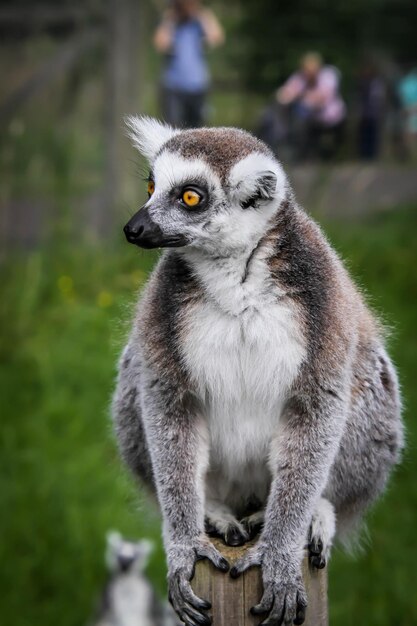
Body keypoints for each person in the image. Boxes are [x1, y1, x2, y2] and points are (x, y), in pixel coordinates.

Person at [154, 0, 224, 128]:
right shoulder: (171, 22)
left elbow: (217, 37)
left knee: (198, 130)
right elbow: (160, 44)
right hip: (174, 87)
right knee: (172, 129)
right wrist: (170, 20)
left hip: (198, 86)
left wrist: (201, 16)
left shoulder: (200, 21)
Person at [276, 52, 346, 160]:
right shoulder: (300, 78)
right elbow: (283, 95)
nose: (309, 74)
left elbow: (321, 98)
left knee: (302, 111)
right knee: (299, 116)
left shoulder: (328, 75)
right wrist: (289, 94)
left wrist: (298, 95)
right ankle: (302, 155)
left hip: (333, 118)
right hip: (312, 121)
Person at [356, 59, 386, 159]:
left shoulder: (376, 83)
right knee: (364, 136)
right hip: (364, 113)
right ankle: (363, 155)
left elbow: (379, 98)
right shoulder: (361, 83)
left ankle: (372, 155)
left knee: (373, 135)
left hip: (374, 113)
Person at [398, 67, 417, 159]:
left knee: (409, 133)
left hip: (409, 109)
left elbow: (402, 97)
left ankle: (411, 155)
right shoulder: (407, 83)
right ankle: (411, 155)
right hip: (409, 109)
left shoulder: (404, 83)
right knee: (409, 133)